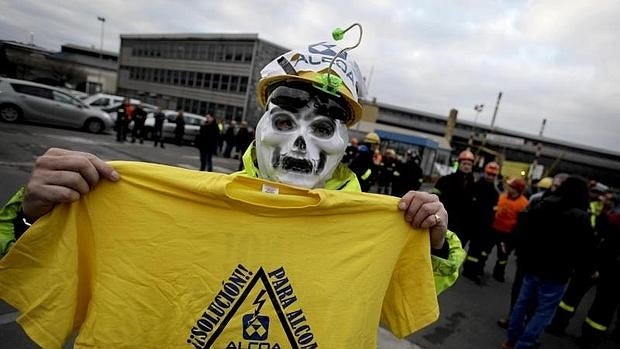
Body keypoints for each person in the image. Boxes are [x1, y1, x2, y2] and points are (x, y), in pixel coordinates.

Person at [0, 37, 464, 347]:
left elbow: (409, 296)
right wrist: (31, 216)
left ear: (344, 143)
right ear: (258, 131)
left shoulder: (377, 225)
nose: (300, 144)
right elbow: (28, 274)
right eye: (284, 123)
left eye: (322, 128)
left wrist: (433, 241)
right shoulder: (152, 200)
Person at [503, 176, 597, 349]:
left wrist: (519, 252)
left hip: (532, 266)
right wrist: (589, 269)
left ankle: (512, 338)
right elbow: (587, 248)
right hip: (557, 273)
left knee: (522, 303)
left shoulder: (544, 205)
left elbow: (525, 229)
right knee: (543, 311)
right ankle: (524, 344)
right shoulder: (581, 217)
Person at [546, 194, 620, 349]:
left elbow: (598, 242)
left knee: (575, 297)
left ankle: (559, 326)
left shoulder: (610, 219)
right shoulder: (609, 218)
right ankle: (588, 338)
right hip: (609, 270)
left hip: (596, 264)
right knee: (603, 306)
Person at [496, 173, 568, 329]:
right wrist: (512, 245)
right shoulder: (537, 200)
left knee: (538, 298)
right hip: (528, 257)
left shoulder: (571, 209)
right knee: (519, 290)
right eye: (554, 185)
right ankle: (513, 318)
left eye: (559, 187)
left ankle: (528, 325)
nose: (555, 189)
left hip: (552, 263)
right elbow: (522, 226)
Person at [462, 161, 501, 284]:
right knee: (459, 244)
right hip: (469, 222)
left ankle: (469, 270)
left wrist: (489, 226)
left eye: (493, 175)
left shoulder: (495, 193)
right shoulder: (475, 186)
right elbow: (467, 204)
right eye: (489, 174)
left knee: (476, 250)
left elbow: (493, 212)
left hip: (482, 226)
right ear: (485, 172)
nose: (490, 177)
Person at [431, 149, 476, 246]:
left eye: (469, 164)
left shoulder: (476, 186)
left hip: (463, 228)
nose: (466, 166)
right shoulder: (445, 180)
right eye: (464, 163)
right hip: (445, 223)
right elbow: (434, 198)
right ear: (459, 164)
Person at [488, 177, 529, 283]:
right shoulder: (502, 196)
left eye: (510, 186)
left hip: (507, 234)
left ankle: (498, 273)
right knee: (485, 250)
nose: (507, 187)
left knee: (503, 255)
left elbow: (522, 222)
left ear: (516, 189)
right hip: (494, 229)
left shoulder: (523, 203)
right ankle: (478, 268)